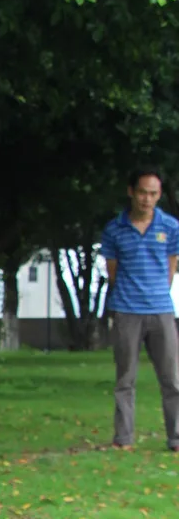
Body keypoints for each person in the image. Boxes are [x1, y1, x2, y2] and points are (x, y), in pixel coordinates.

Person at [100, 167, 179, 451]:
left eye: (153, 193)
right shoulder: (114, 229)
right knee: (125, 379)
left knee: (172, 379)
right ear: (131, 192)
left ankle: (176, 438)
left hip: (161, 311)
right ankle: (123, 438)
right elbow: (113, 272)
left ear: (159, 195)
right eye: (143, 192)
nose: (147, 199)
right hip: (126, 311)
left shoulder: (170, 227)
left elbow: (170, 267)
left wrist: (155, 293)